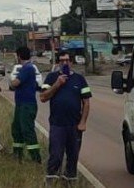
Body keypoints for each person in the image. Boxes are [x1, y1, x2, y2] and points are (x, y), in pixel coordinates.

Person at [40, 51, 91, 185]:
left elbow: (86, 102)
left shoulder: (79, 79)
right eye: (62, 60)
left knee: (73, 157)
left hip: (75, 126)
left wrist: (83, 122)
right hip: (57, 124)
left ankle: (70, 182)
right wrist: (57, 84)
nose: (65, 63)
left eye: (67, 60)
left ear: (71, 62)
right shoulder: (51, 77)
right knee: (56, 155)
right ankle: (51, 181)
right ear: (58, 63)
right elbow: (43, 97)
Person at [10, 46, 41, 162]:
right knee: (16, 129)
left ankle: (35, 157)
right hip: (21, 104)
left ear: (18, 56)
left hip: (27, 105)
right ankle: (17, 154)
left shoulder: (27, 68)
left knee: (27, 130)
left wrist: (12, 82)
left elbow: (15, 83)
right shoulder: (27, 68)